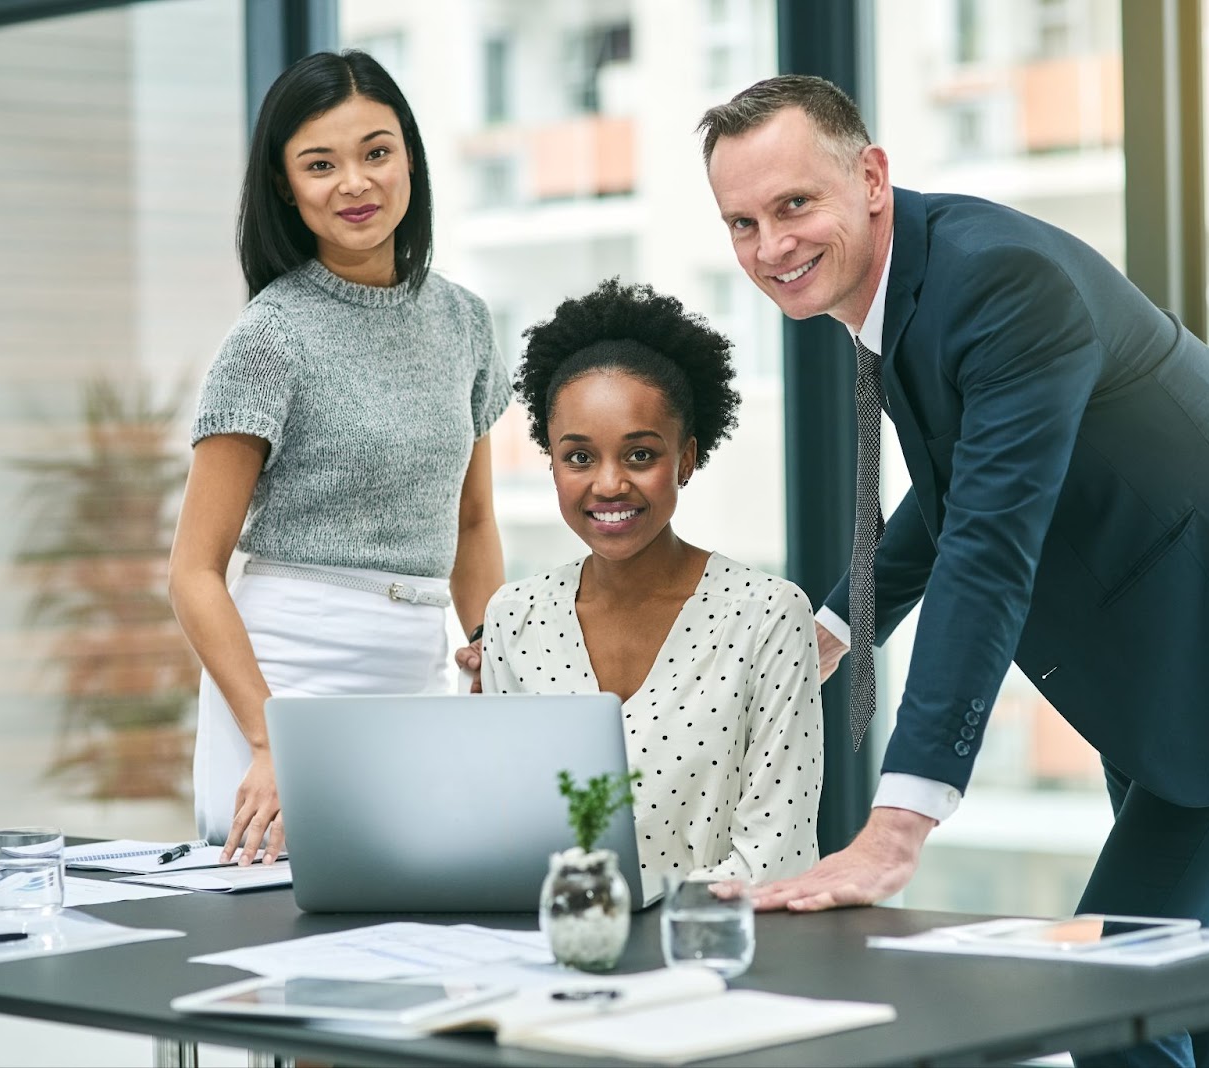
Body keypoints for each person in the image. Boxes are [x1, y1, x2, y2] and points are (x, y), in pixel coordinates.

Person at [697, 75, 1209, 1068]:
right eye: (741, 223)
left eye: (794, 205)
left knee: (1107, 1006)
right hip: (1148, 638)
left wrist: (897, 824)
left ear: (871, 177)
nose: (770, 248)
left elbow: (986, 543)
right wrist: (827, 636)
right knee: (1200, 990)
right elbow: (954, 494)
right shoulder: (910, 285)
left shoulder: (1000, 283)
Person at [168, 50, 509, 866]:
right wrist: (268, 736)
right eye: (320, 164)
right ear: (287, 185)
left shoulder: (464, 321)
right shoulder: (269, 336)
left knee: (418, 919)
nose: (354, 182)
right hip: (287, 675)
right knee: (276, 931)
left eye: (376, 152)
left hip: (418, 667)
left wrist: (495, 653)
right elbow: (192, 571)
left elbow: (471, 517)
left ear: (411, 161)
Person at [470, 279, 823, 903]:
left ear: (685, 459)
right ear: (551, 462)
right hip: (555, 957)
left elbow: (777, 857)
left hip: (712, 959)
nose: (608, 484)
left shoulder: (767, 614)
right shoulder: (514, 617)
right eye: (579, 458)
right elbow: (505, 834)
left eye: (639, 455)